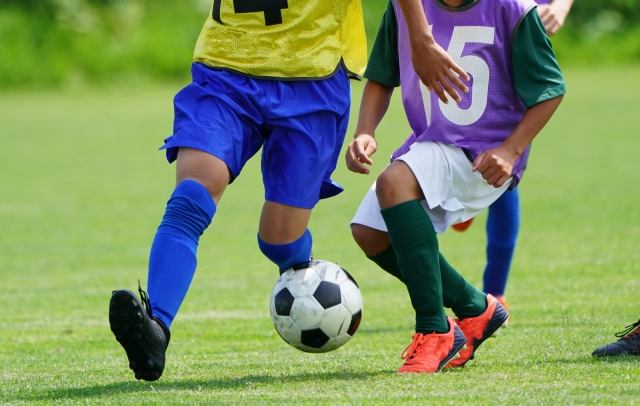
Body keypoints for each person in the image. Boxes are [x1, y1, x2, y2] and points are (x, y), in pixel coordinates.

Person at [106, 0, 374, 382]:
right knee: (191, 199)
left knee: (280, 240)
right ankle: (156, 329)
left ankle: (302, 263)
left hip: (312, 76)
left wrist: (421, 37)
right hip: (227, 66)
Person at [345, 0, 565, 373]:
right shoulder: (405, 8)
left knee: (394, 182)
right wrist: (365, 131)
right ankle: (476, 308)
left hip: (486, 153)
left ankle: (434, 330)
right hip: (433, 142)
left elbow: (550, 88)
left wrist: (510, 151)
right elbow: (382, 75)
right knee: (370, 233)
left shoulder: (513, 9)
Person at [450, 0, 575, 311]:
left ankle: (495, 292)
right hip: (469, 24)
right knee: (460, 133)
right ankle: (463, 193)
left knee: (504, 168)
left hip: (520, 26)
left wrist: (560, 7)